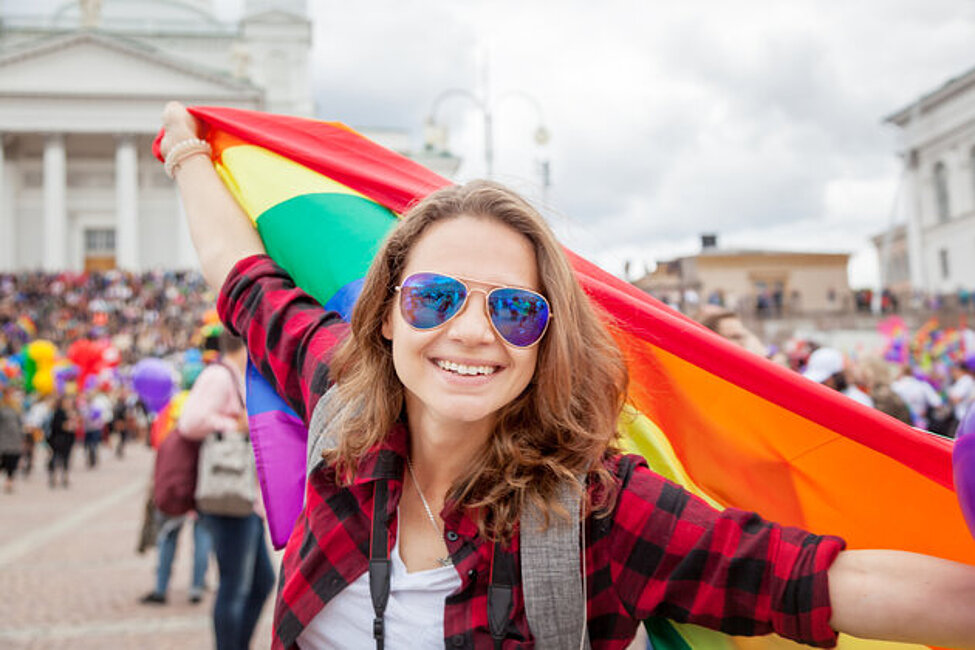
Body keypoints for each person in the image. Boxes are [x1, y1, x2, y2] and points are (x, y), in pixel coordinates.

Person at [161, 101, 975, 650]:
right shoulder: (339, 394)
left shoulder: (599, 508)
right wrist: (190, 149)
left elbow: (821, 580)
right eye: (435, 297)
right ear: (384, 314)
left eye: (513, 310)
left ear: (546, 337)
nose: (472, 331)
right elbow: (240, 276)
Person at [178, 329, 273, 649]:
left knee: (261, 582)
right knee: (235, 584)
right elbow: (189, 422)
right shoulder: (219, 376)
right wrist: (234, 424)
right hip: (227, 494)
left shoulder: (234, 375)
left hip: (243, 496)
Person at [802, 347, 874, 408]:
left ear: (837, 376)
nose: (821, 385)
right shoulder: (814, 401)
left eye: (824, 381)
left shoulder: (859, 402)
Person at [46, 395, 76, 488]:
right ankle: (53, 476)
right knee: (56, 458)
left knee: (66, 459)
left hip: (68, 439)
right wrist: (66, 425)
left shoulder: (71, 413)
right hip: (58, 439)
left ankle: (64, 477)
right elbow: (55, 425)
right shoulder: (58, 413)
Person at [0, 385, 23, 493]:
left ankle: (9, 480)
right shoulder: (1, 407)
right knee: (4, 459)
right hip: (3, 437)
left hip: (15, 438)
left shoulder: (16, 407)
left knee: (13, 459)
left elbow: (20, 422)